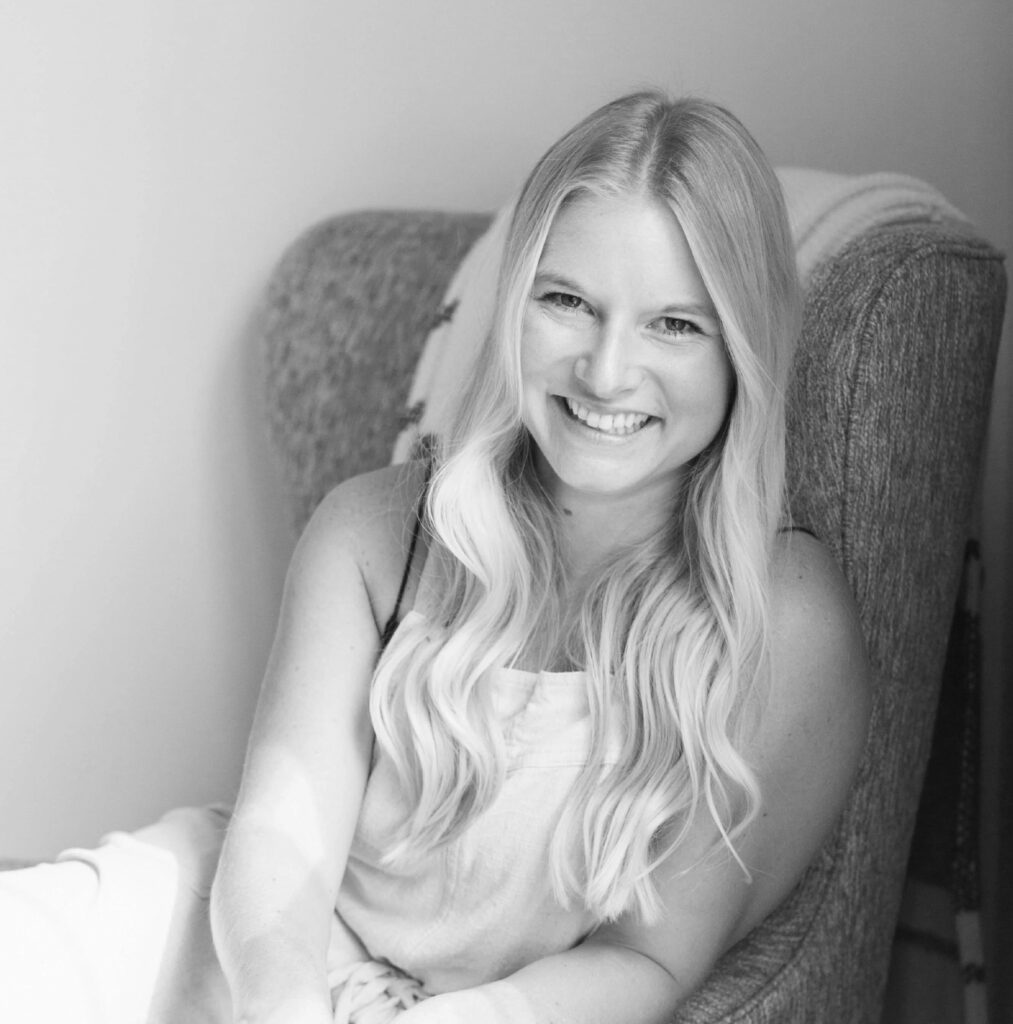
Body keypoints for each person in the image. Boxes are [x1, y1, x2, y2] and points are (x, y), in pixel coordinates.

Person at [0, 91, 870, 1024]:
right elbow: (278, 847)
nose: (607, 372)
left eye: (675, 324)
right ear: (514, 307)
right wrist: (284, 1009)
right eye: (568, 301)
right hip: (250, 954)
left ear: (742, 349)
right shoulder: (373, 532)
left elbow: (651, 964)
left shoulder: (781, 618)